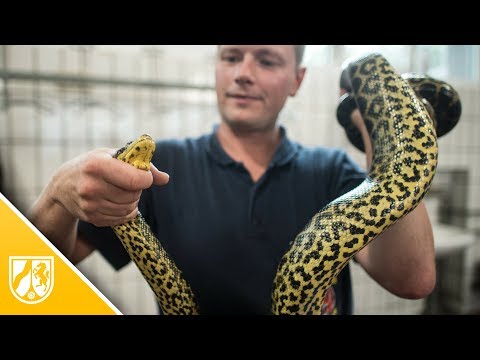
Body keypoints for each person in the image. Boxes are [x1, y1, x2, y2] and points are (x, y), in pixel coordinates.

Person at [28, 45, 436, 314]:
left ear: (297, 80)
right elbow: (29, 282)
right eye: (231, 56)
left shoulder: (332, 172)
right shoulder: (156, 172)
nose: (243, 73)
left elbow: (413, 279)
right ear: (217, 68)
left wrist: (381, 125)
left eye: (267, 59)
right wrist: (57, 195)